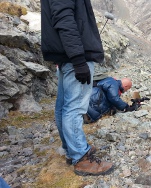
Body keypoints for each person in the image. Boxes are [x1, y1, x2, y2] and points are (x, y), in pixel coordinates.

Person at [40, 0, 113, 176]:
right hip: (75, 56)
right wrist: (79, 59)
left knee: (63, 106)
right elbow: (65, 20)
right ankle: (80, 157)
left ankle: (71, 149)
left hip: (67, 56)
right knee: (74, 107)